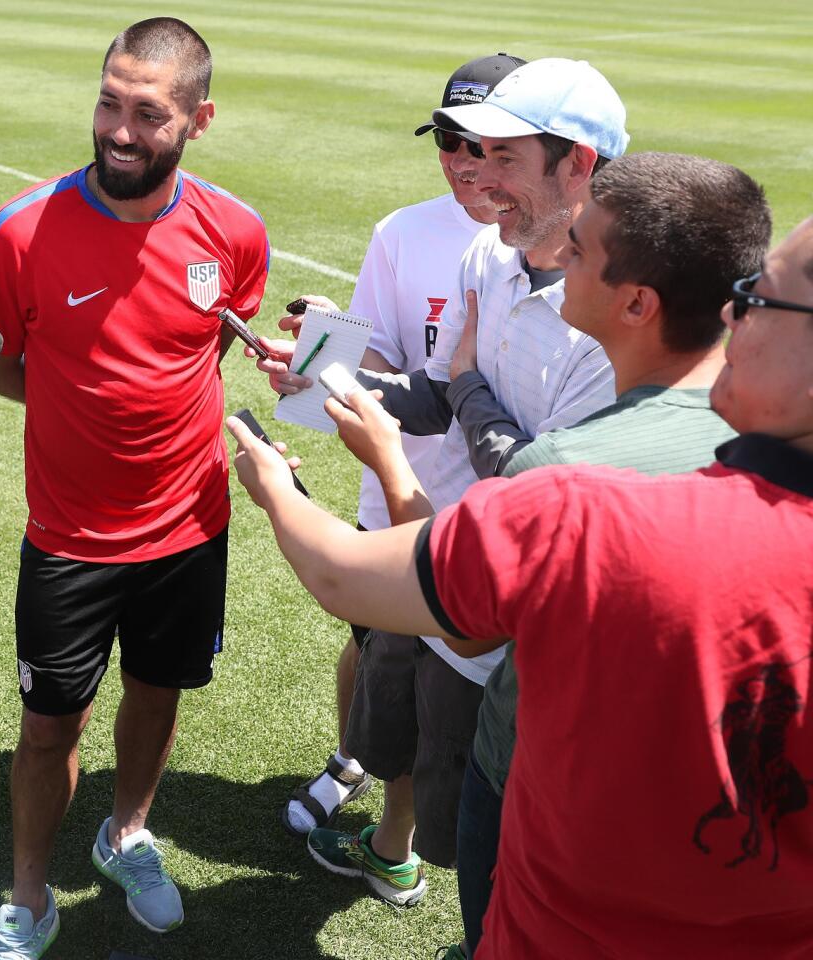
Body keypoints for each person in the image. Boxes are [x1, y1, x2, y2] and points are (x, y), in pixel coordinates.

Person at [227, 211, 813, 958]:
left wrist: (281, 482)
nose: (736, 316)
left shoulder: (583, 503)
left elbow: (363, 584)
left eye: (760, 300)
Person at [263, 57, 627, 908]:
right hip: (437, 553)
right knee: (405, 743)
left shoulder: (609, 313)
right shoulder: (485, 254)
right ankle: (393, 847)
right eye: (470, 151)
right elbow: (430, 392)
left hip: (512, 618)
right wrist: (330, 378)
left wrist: (461, 393)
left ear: (578, 162)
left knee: (492, 842)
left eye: (503, 157)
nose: (479, 179)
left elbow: (536, 490)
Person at [0, 18, 269, 958]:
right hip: (68, 536)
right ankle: (29, 896)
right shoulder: (21, 231)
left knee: (158, 691)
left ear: (198, 119)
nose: (120, 131)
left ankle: (126, 831)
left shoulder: (235, 232)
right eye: (108, 102)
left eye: (148, 112)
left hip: (189, 523)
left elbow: (209, 343)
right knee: (49, 727)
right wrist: (72, 395)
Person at [278, 52, 525, 840]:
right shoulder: (405, 231)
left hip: (489, 513)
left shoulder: (543, 251)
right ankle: (358, 762)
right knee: (375, 652)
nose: (459, 161)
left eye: (475, 143)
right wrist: (328, 346)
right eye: (444, 140)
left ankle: (403, 834)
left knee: (458, 693)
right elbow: (384, 361)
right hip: (394, 495)